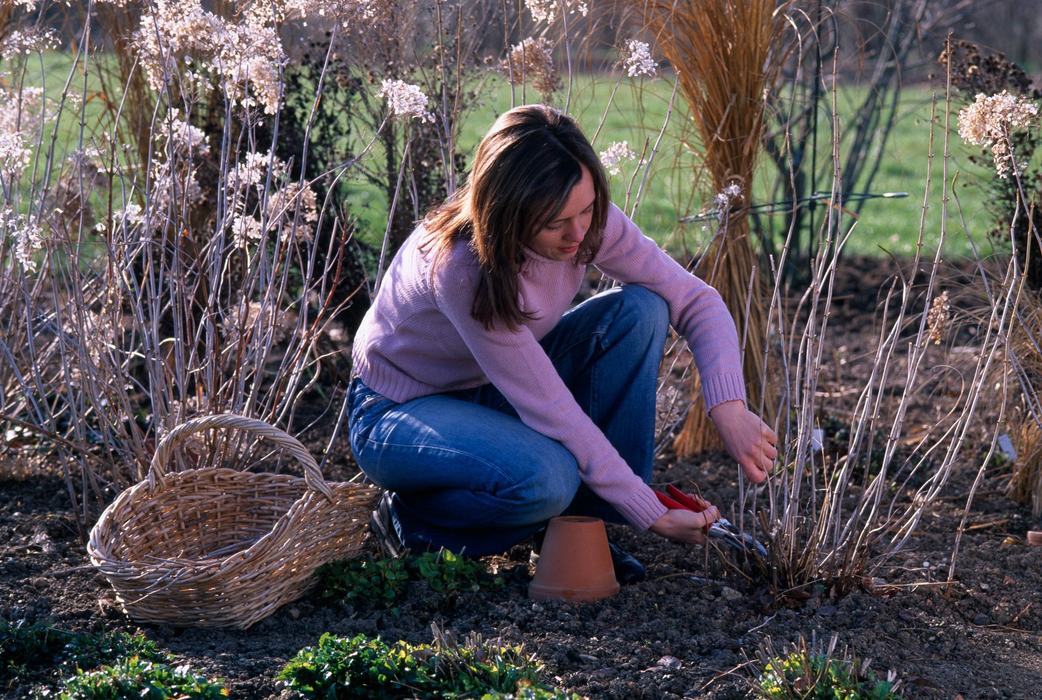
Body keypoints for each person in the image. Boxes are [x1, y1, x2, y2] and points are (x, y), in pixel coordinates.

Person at [347, 104, 777, 582]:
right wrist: (647, 510)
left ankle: (585, 527)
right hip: (400, 412)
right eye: (556, 223)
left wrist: (728, 408)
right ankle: (415, 521)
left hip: (496, 388)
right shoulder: (462, 266)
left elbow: (697, 300)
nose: (579, 234)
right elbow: (551, 407)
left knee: (642, 311)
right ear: (508, 215)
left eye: (588, 209)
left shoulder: (583, 222)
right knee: (547, 478)